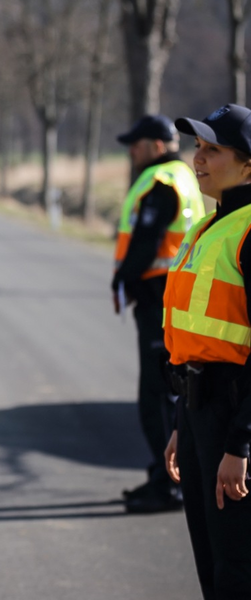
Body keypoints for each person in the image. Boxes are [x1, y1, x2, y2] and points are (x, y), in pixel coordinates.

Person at [163, 103, 251, 599]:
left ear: (249, 166)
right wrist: (181, 419)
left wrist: (241, 444)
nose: (198, 158)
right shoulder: (212, 226)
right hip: (199, 413)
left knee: (237, 565)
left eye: (213, 149)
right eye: (197, 147)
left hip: (233, 418)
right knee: (211, 560)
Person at [113, 114, 205, 514]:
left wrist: (122, 279)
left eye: (136, 144)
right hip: (172, 296)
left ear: (154, 144)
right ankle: (160, 476)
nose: (132, 152)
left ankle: (168, 486)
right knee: (166, 392)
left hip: (157, 297)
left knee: (157, 397)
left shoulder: (160, 182)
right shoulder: (181, 176)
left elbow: (146, 241)